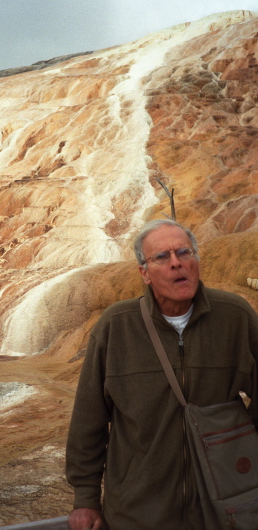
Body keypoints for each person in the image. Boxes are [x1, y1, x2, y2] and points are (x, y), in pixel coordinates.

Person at [66, 218, 258, 530]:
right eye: (162, 257)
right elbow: (89, 421)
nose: (176, 263)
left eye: (184, 253)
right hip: (138, 512)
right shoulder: (116, 327)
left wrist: (244, 455)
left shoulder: (235, 316)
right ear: (144, 273)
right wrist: (86, 499)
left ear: (196, 260)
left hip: (223, 506)